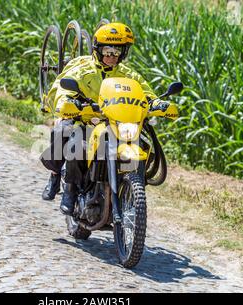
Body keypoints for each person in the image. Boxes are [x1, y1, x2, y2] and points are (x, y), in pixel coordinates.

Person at [40, 22, 162, 215]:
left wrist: (157, 103)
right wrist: (67, 104)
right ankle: (67, 187)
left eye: (117, 52)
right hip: (86, 120)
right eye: (107, 50)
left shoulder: (128, 75)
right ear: (97, 49)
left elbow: (146, 92)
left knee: (144, 143)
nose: (111, 56)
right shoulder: (82, 70)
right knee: (73, 144)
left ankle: (129, 190)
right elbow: (61, 90)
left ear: (123, 53)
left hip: (116, 124)